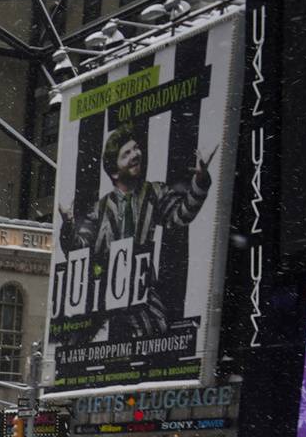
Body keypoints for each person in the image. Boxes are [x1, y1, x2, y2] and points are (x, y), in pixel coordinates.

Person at [59, 127, 215, 342]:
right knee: (76, 344)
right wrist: (68, 225)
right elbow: (78, 248)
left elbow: (181, 215)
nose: (135, 155)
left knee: (158, 329)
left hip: (141, 288)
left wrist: (201, 178)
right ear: (114, 172)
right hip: (104, 292)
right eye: (127, 154)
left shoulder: (154, 192)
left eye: (136, 148)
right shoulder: (100, 208)